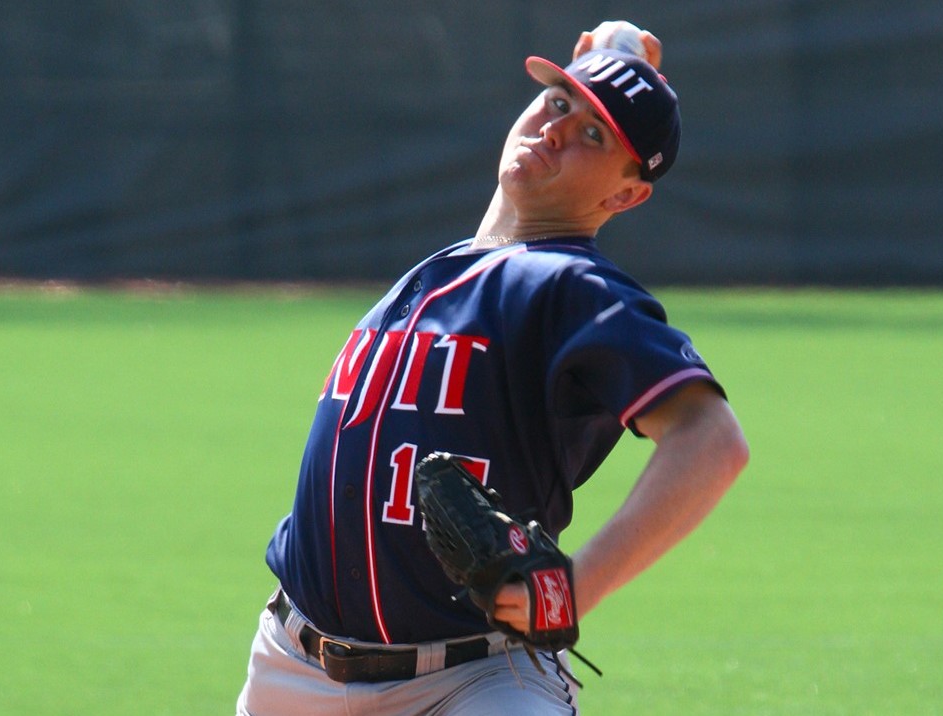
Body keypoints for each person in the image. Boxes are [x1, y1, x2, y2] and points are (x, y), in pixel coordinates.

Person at [236, 22, 749, 716]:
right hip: (292, 669)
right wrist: (616, 58)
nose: (557, 128)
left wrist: (573, 588)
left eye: (594, 136)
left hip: (475, 680)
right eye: (560, 102)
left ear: (625, 197)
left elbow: (711, 441)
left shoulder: (572, 287)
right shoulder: (441, 269)